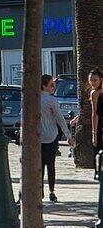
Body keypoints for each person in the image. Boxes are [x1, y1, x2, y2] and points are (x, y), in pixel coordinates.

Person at [40, 74, 73, 203]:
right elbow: (60, 118)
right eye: (52, 85)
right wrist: (68, 135)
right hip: (52, 136)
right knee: (50, 165)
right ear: (44, 86)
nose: (54, 87)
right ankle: (51, 191)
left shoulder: (33, 99)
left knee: (40, 165)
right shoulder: (51, 100)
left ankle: (40, 188)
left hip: (39, 136)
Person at [90, 68, 103, 153]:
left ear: (101, 80)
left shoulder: (96, 93)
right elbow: (95, 113)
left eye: (95, 80)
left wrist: (94, 133)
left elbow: (95, 114)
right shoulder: (94, 93)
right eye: (91, 80)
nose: (92, 83)